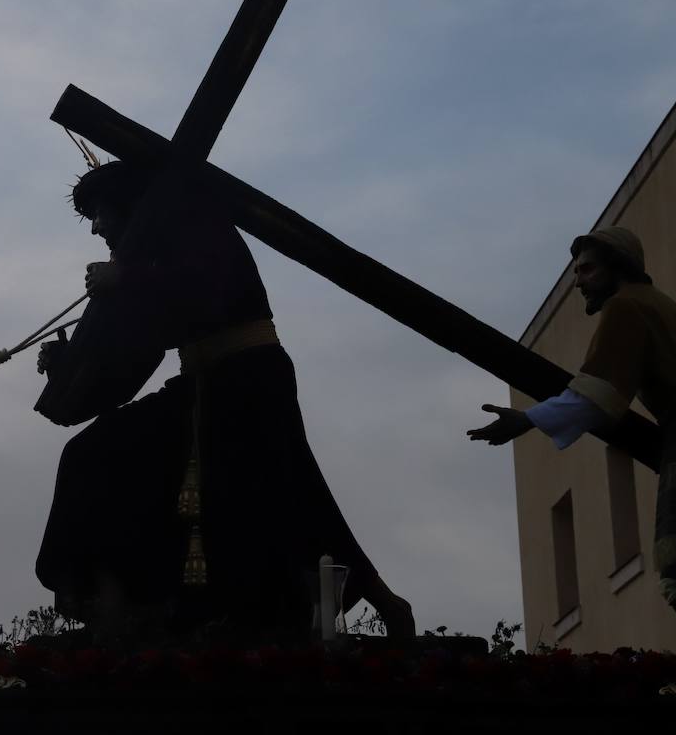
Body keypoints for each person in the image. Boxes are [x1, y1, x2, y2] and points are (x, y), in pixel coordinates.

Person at [35, 161, 415, 642]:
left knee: (291, 496)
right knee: (100, 453)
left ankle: (380, 603)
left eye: (100, 213)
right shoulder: (147, 259)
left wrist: (126, 280)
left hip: (249, 378)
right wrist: (68, 363)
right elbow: (137, 347)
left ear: (128, 205)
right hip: (200, 383)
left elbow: (207, 293)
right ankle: (126, 605)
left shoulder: (199, 225)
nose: (96, 227)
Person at [469, 227, 676, 656]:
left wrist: (526, 419)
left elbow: (597, 392)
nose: (578, 282)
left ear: (617, 266)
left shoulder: (627, 307)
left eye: (586, 270)